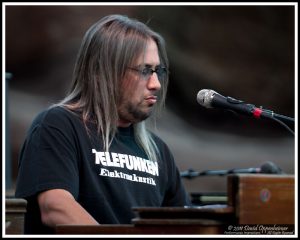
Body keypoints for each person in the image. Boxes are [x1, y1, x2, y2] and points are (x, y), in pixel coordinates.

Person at [15, 14, 191, 234]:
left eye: (158, 71)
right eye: (144, 70)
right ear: (106, 72)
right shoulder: (58, 125)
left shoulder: (159, 151)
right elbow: (55, 207)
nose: (155, 84)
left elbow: (183, 224)